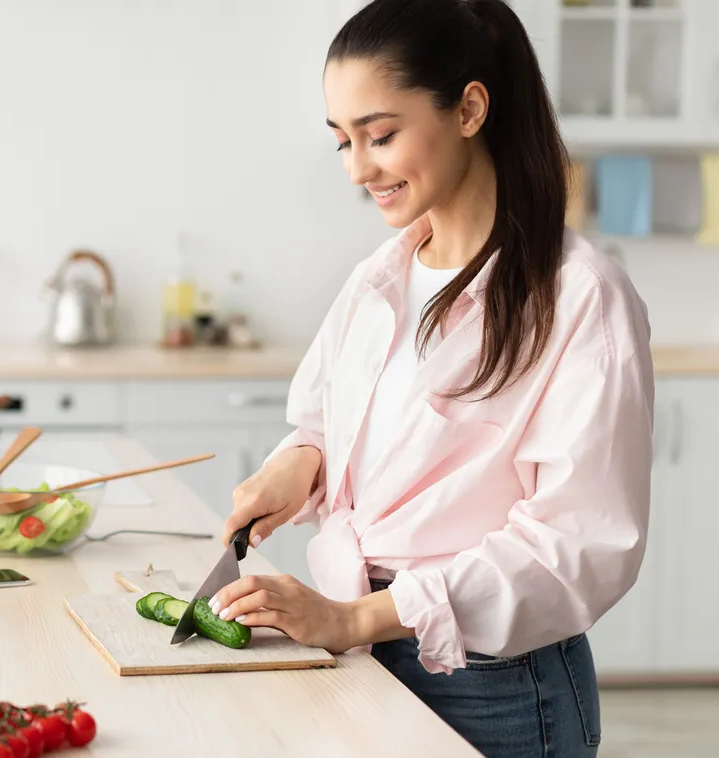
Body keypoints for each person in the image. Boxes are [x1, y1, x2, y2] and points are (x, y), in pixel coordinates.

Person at [213, 1, 654, 755]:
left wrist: (357, 619)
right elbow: (325, 420)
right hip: (360, 650)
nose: (357, 169)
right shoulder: (378, 278)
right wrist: (299, 465)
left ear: (469, 109)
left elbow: (577, 544)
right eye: (342, 142)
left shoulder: (580, 295)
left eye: (379, 136)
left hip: (497, 686)